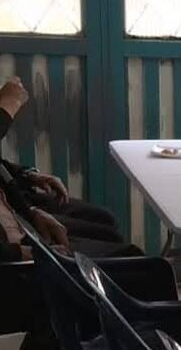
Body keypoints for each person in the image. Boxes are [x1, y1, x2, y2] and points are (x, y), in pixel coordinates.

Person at [0, 76, 125, 243]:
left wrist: (27, 175)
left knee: (105, 218)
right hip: (9, 224)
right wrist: (7, 106)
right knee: (111, 238)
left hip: (14, 196)